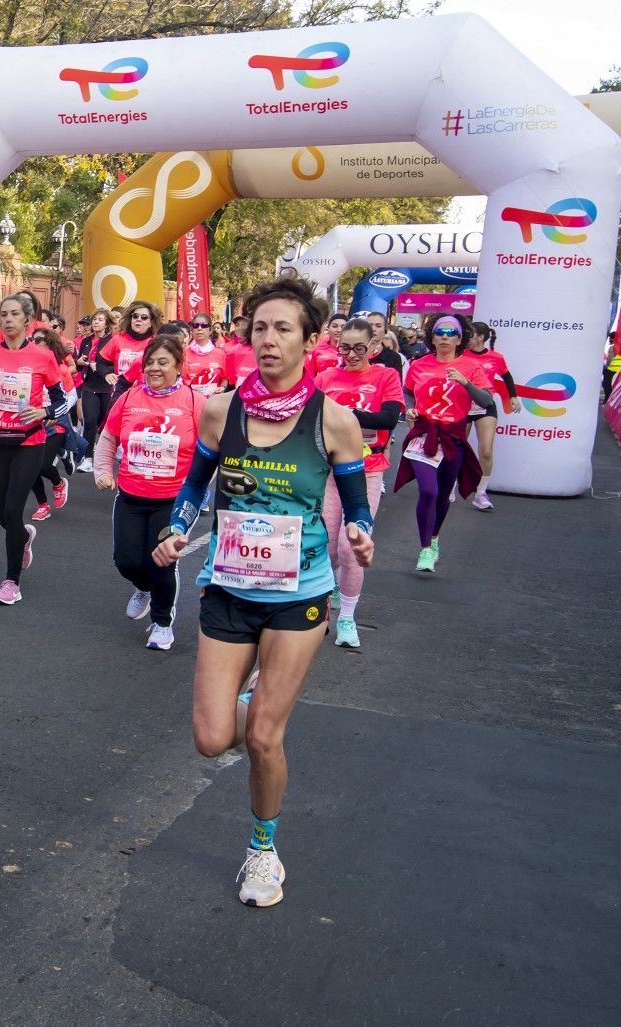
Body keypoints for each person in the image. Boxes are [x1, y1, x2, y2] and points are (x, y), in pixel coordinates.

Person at [152, 275, 375, 908]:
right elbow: (194, 488)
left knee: (263, 739)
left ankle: (262, 850)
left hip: (298, 595)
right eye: (259, 328)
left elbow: (357, 508)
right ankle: (255, 699)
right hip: (228, 587)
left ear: (310, 338)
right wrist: (175, 530)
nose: (269, 339)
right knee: (212, 739)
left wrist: (360, 535)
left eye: (283, 328)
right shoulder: (221, 410)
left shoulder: (334, 421)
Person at [93, 334, 203, 650]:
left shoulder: (195, 403)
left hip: (173, 500)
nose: (154, 368)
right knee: (126, 562)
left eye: (163, 362)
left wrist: (200, 488)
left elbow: (210, 451)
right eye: (150, 361)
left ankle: (162, 624)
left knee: (162, 563)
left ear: (179, 366)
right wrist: (102, 472)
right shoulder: (128, 399)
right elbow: (108, 438)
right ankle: (143, 587)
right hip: (130, 495)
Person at [0, 294, 65, 606]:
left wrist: (45, 414)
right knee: (1, 513)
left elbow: (62, 399)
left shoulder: (42, 357)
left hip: (29, 443)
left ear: (27, 320)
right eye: (3, 314)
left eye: (14, 314)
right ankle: (23, 537)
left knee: (13, 509)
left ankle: (12, 581)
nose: (7, 319)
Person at [315, 318, 402, 648]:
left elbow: (388, 418)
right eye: (345, 347)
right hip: (329, 472)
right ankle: (323, 605)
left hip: (367, 469)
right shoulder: (325, 377)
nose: (350, 354)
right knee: (325, 546)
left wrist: (346, 415)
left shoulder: (386, 375)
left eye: (359, 348)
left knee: (350, 548)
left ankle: (347, 618)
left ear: (375, 347)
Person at [395, 315, 490, 573]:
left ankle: (434, 537)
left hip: (453, 437)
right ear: (432, 336)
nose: (445, 337)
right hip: (424, 435)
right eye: (439, 332)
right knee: (428, 491)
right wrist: (411, 410)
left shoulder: (471, 367)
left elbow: (487, 401)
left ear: (460, 338)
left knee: (444, 493)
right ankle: (425, 548)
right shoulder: (418, 365)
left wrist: (466, 383)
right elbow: (408, 392)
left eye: (451, 332)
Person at [461, 321, 518, 511]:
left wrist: (513, 397)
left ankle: (480, 493)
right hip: (462, 405)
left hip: (485, 405)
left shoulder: (496, 357)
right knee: (457, 448)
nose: (467, 338)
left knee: (486, 451)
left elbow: (507, 376)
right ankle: (450, 485)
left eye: (470, 335)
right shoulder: (461, 355)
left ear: (480, 338)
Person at [28, 328, 75, 521]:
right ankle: (42, 505)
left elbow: (71, 396)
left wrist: (54, 412)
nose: (34, 344)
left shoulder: (61, 369)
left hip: (55, 424)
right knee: (29, 468)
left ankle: (58, 483)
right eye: (33, 341)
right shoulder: (27, 369)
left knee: (42, 464)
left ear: (50, 347)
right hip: (31, 424)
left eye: (40, 341)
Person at [75, 309, 116, 470]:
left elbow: (116, 364)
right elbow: (78, 364)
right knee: (89, 420)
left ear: (107, 323)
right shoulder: (86, 341)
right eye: (94, 319)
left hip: (107, 386)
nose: (96, 322)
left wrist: (98, 366)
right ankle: (88, 459)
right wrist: (80, 362)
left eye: (100, 319)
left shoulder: (112, 340)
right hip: (89, 385)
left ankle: (104, 454)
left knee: (104, 423)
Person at [100, 301, 158, 397]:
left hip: (146, 394)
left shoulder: (155, 343)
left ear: (151, 323)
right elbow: (100, 362)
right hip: (120, 392)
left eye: (144, 317)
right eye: (135, 316)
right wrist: (106, 374)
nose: (138, 319)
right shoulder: (118, 339)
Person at [183, 314, 231, 395]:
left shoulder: (220, 353)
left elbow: (224, 378)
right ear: (192, 330)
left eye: (203, 325)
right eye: (195, 325)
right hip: (191, 401)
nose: (199, 328)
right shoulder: (184, 353)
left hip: (213, 403)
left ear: (210, 330)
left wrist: (222, 388)